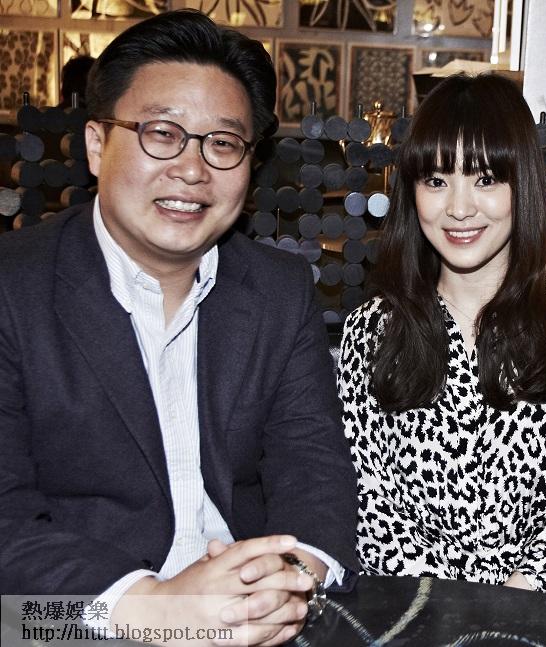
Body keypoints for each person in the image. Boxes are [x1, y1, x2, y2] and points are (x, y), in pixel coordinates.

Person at [0, 9, 358, 645]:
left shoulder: (278, 291)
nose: (193, 170)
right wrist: (151, 609)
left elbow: (311, 465)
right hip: (65, 620)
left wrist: (292, 576)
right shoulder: (13, 286)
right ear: (95, 146)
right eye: (162, 133)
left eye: (222, 143)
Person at [338, 73, 546, 604]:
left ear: (522, 186)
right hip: (412, 616)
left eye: (485, 179)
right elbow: (373, 517)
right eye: (436, 181)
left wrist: (497, 617)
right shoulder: (371, 332)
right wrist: (448, 620)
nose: (459, 208)